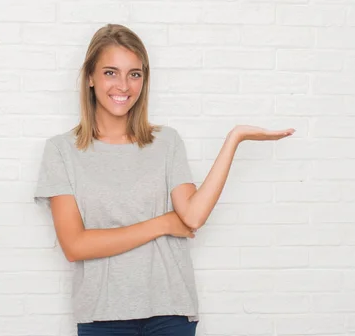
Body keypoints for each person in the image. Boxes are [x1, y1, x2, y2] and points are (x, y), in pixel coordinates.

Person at [33, 23, 295, 336]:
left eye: (135, 73)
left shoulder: (166, 142)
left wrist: (234, 139)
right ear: (90, 77)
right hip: (102, 316)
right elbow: (75, 245)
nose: (124, 85)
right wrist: (162, 224)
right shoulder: (62, 150)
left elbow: (193, 216)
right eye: (110, 72)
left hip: (171, 312)